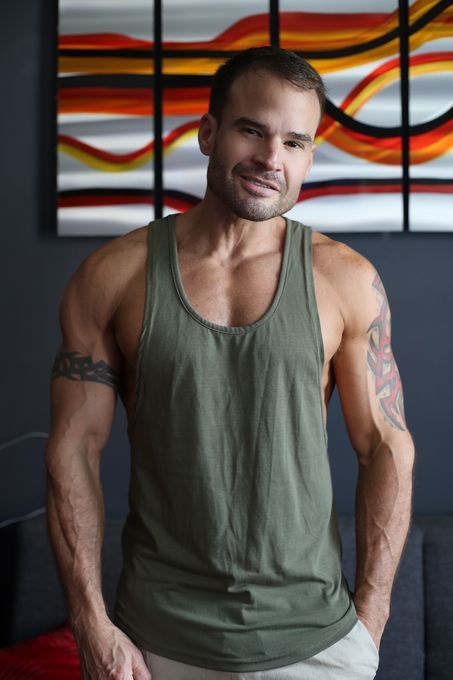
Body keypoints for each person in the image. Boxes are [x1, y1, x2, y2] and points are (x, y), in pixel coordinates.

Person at [45, 46, 415, 680]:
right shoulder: (114, 275)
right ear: (209, 133)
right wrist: (91, 624)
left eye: (294, 142)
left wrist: (371, 618)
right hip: (155, 643)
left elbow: (386, 445)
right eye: (252, 130)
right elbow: (72, 449)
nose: (272, 158)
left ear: (309, 159)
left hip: (317, 642)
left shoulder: (346, 280)